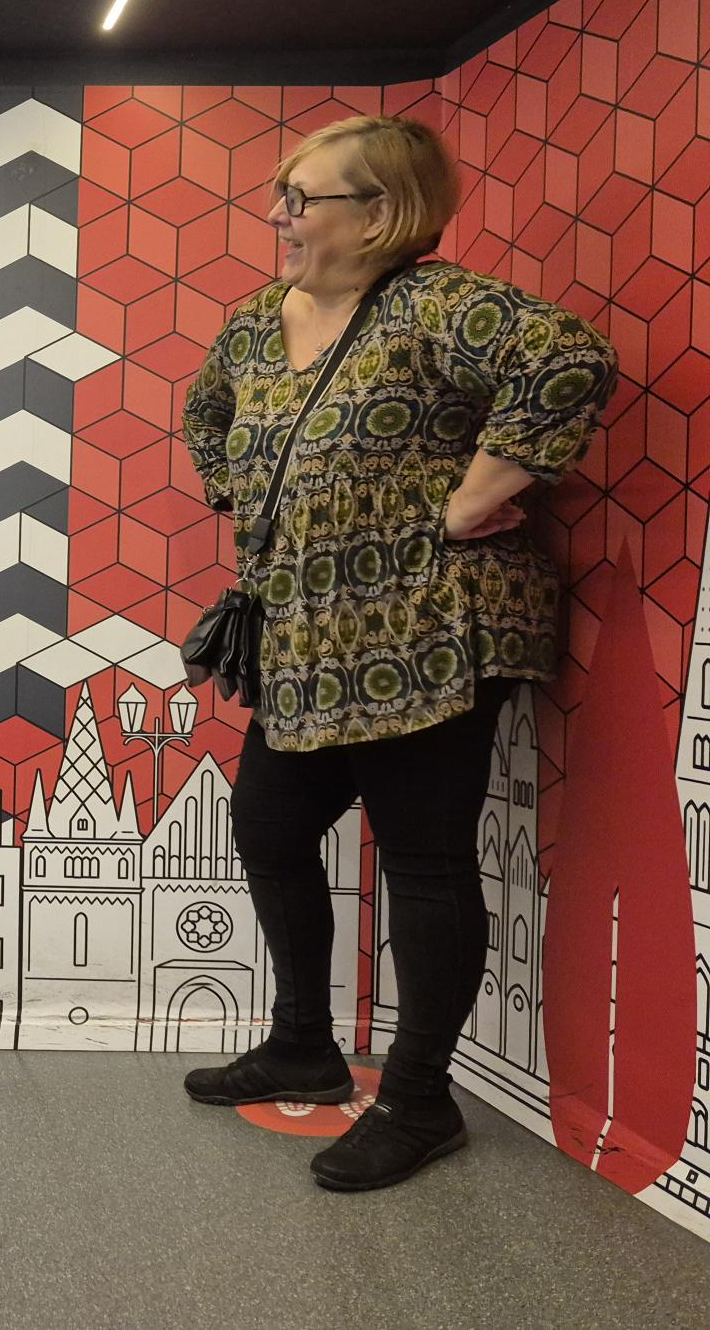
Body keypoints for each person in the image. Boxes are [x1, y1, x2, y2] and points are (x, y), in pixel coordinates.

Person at [179, 115, 617, 1190]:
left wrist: (472, 497)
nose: (277, 216)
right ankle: (302, 1045)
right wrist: (255, 503)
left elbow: (568, 360)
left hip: (427, 628)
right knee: (268, 824)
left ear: (379, 213)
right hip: (305, 630)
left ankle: (420, 1101)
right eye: (281, 195)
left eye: (301, 199)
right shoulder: (256, 322)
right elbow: (208, 413)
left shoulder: (433, 306)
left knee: (422, 856)